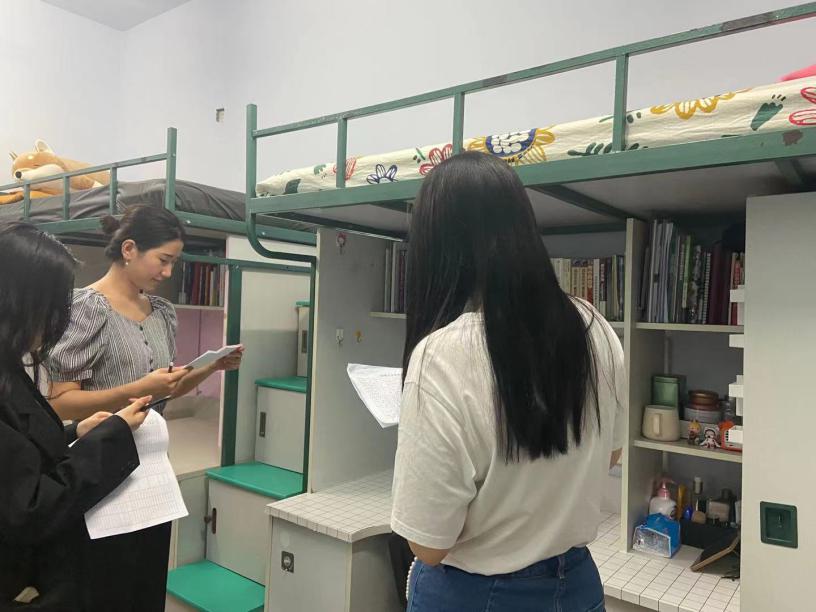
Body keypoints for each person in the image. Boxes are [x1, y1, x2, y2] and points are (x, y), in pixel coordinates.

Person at [390, 152, 625, 612]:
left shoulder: (441, 356)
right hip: (578, 585)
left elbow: (428, 546)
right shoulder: (592, 324)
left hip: (477, 595)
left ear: (436, 248)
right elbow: (611, 453)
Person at [46, 205, 243, 611]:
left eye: (174, 263)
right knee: (104, 588)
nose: (168, 272)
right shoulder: (87, 308)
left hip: (152, 472)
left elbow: (163, 392)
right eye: (163, 260)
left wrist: (211, 367)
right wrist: (138, 388)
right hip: (100, 472)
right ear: (129, 249)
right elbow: (62, 403)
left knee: (147, 584)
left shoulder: (162, 313)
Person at [0, 222, 152, 610]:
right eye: (53, 306)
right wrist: (113, 433)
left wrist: (75, 432)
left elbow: (20, 446)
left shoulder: (10, 365)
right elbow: (29, 505)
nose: (58, 320)